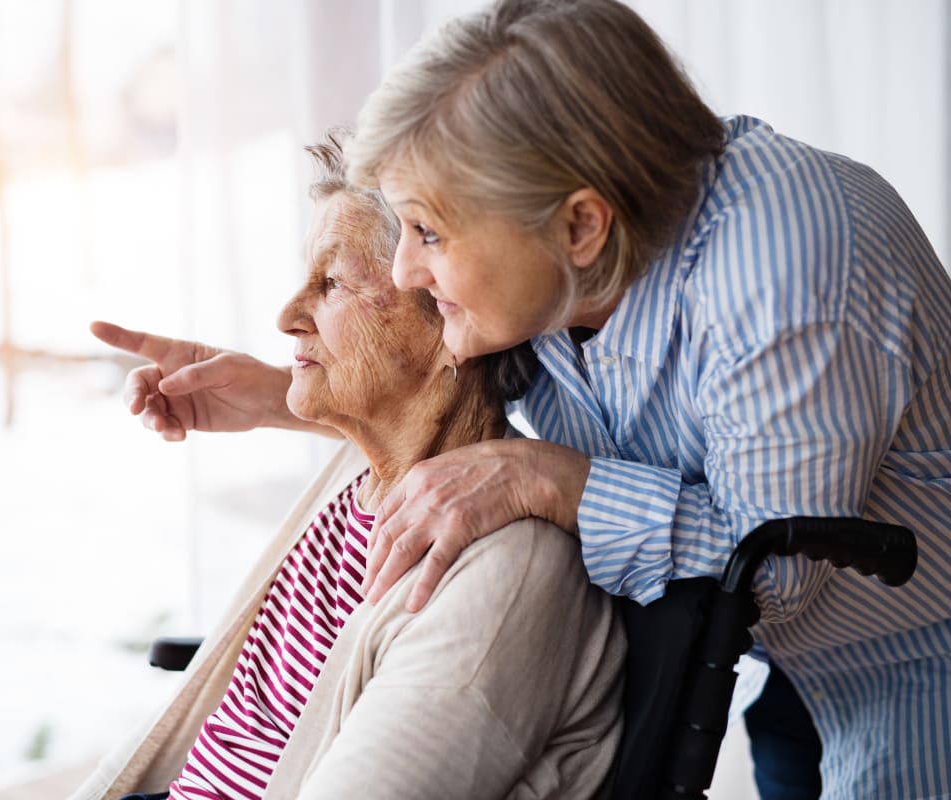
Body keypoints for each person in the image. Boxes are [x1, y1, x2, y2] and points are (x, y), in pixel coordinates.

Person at [103, 2, 950, 798]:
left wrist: (549, 479)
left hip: (917, 655)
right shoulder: (551, 271)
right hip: (794, 665)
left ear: (581, 225)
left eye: (429, 234)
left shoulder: (783, 267)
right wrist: (281, 394)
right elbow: (445, 383)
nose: (406, 274)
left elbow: (779, 567)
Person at [74, 132, 625, 800]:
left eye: (331, 283)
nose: (284, 317)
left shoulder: (507, 570)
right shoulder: (358, 476)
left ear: (452, 316)